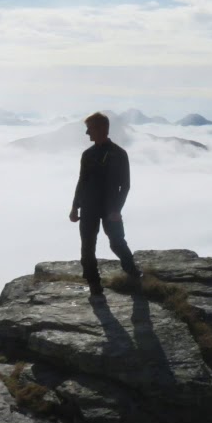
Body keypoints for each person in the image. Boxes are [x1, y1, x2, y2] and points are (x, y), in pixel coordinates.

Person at [69, 112, 141, 298]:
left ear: (101, 129)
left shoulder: (119, 154)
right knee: (87, 247)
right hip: (89, 207)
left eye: (90, 129)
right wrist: (74, 206)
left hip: (111, 209)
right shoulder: (88, 154)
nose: (87, 133)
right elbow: (82, 181)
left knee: (117, 243)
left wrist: (117, 209)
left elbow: (125, 186)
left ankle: (133, 273)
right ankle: (94, 284)